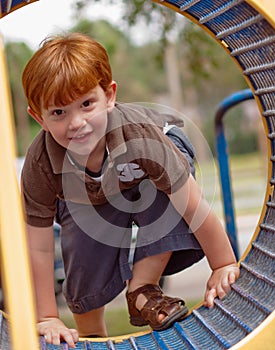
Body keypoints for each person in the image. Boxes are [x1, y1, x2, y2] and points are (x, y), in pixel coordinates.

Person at [21, 33, 239, 348]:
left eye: (86, 104)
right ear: (38, 117)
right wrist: (47, 316)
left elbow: (191, 204)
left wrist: (222, 264)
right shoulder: (41, 163)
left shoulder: (141, 137)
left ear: (109, 96)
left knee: (159, 196)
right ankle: (91, 331)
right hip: (88, 192)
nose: (76, 122)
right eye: (58, 112)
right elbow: (39, 246)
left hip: (156, 161)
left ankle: (143, 288)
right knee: (81, 236)